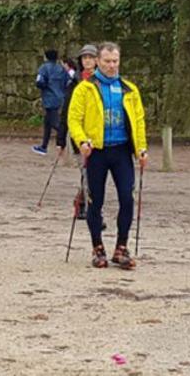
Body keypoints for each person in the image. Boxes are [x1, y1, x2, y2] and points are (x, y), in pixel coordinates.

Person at [67, 41, 147, 270]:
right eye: (107, 62)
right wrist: (81, 140)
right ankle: (97, 247)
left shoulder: (129, 89)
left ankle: (121, 247)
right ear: (98, 62)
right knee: (95, 200)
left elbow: (139, 121)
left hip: (122, 150)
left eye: (115, 61)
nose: (112, 66)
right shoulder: (85, 88)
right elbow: (74, 118)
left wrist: (141, 148)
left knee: (127, 197)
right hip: (96, 151)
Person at [57, 44, 98, 221]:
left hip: (100, 135)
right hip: (79, 136)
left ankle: (81, 202)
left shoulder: (104, 81)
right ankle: (93, 213)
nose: (88, 61)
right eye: (85, 58)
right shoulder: (74, 83)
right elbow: (66, 111)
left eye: (91, 57)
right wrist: (61, 139)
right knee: (88, 173)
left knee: (95, 175)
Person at [33, 49, 69, 155]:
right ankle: (44, 146)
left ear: (46, 57)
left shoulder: (44, 68)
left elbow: (39, 81)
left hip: (49, 98)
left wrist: (45, 87)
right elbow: (67, 81)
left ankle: (68, 138)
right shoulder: (61, 69)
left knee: (55, 123)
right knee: (47, 123)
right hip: (60, 97)